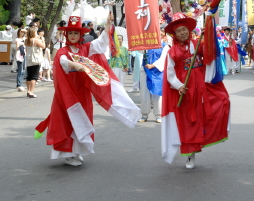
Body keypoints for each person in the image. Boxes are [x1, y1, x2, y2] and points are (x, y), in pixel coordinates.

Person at [35, 13, 140, 167]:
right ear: (66, 34)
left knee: (82, 119)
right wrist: (75, 64)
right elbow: (62, 62)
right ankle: (68, 153)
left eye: (75, 33)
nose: (72, 36)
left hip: (82, 92)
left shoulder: (86, 48)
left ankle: (77, 151)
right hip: (66, 94)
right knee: (68, 121)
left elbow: (101, 43)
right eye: (70, 32)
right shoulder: (63, 52)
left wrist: (107, 26)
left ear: (80, 34)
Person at [162, 13, 230, 169]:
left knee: (221, 101)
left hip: (202, 84)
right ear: (175, 35)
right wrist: (179, 85)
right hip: (185, 89)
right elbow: (170, 73)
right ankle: (190, 154)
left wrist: (209, 37)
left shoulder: (197, 43)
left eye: (184, 29)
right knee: (188, 120)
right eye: (179, 31)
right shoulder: (171, 52)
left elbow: (210, 54)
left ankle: (211, 135)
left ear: (189, 30)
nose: (182, 33)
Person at [138, 31, 170, 124]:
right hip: (145, 71)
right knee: (144, 93)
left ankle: (158, 115)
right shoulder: (146, 45)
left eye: (159, 34)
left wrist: (153, 65)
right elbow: (139, 51)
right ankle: (144, 114)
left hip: (157, 72)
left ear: (162, 36)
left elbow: (163, 59)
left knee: (157, 94)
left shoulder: (165, 46)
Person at [25, 27, 45, 98]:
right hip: (35, 59)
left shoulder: (26, 40)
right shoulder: (35, 40)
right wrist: (42, 40)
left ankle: (28, 90)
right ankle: (31, 91)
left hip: (29, 59)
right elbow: (43, 46)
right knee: (34, 76)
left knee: (29, 75)